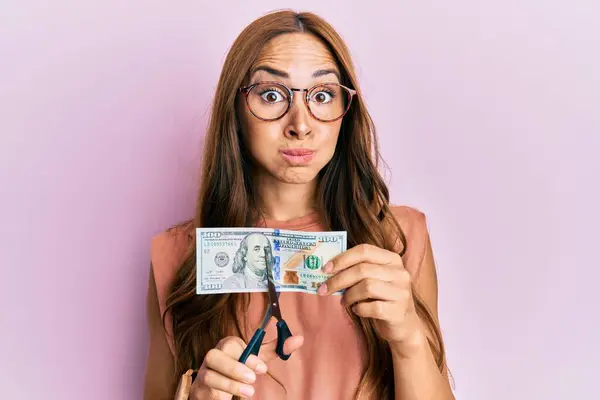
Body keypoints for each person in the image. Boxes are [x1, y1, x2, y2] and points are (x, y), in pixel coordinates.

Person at [143, 9, 455, 400]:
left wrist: (409, 339)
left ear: (347, 111)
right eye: (272, 94)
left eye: (322, 96)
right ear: (235, 109)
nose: (301, 124)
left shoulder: (398, 240)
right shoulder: (176, 256)